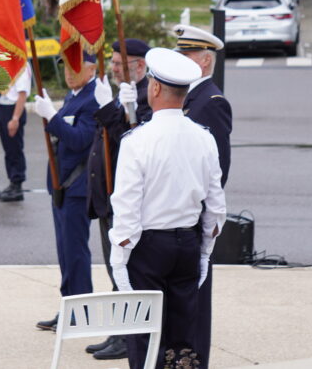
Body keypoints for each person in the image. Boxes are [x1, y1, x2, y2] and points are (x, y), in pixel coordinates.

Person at [109, 48, 226, 368]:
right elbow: (216, 208)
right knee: (182, 339)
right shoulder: (204, 138)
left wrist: (119, 259)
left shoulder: (137, 141)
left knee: (146, 340)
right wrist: (204, 250)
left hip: (149, 247)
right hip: (186, 243)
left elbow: (126, 207)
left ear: (155, 88)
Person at [85, 38, 152, 361]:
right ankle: (118, 332)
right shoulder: (123, 93)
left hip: (124, 201)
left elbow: (131, 144)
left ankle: (129, 338)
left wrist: (119, 111)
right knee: (115, 271)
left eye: (118, 64)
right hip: (108, 200)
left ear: (139, 67)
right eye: (111, 62)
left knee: (126, 271)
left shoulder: (145, 99)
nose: (112, 68)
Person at [173, 23, 232, 368]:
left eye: (187, 54)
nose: (181, 59)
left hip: (193, 220)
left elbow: (218, 169)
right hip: (176, 218)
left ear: (205, 62)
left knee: (193, 306)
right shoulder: (186, 97)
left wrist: (199, 211)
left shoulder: (210, 102)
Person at [32, 52, 99, 331]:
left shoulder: (93, 98)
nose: (68, 72)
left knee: (75, 252)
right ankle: (68, 307)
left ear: (91, 67)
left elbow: (81, 140)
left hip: (77, 186)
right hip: (62, 187)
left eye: (74, 66)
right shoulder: (75, 95)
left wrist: (52, 117)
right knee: (64, 252)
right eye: (65, 67)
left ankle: (81, 313)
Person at [0, 63, 31, 201]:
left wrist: (15, 118)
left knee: (15, 149)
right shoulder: (8, 63)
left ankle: (17, 185)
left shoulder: (21, 65)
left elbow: (22, 94)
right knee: (8, 150)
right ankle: (12, 182)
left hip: (13, 110)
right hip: (3, 107)